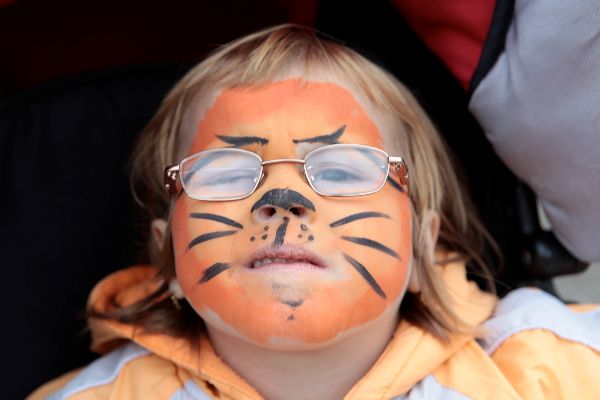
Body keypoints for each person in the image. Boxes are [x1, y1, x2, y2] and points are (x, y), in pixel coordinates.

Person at [29, 24, 600, 400]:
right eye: (226, 175)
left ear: (423, 244)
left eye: (342, 172)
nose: (281, 199)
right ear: (169, 256)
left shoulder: (547, 367)